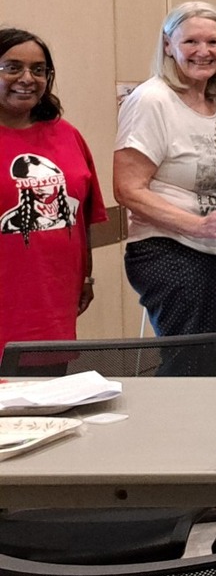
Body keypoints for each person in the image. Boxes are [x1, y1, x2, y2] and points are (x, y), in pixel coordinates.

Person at [113, 2, 216, 341]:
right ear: (168, 46)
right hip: (170, 249)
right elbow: (128, 189)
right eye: (191, 42)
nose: (204, 51)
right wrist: (199, 225)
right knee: (194, 366)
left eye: (214, 42)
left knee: (214, 363)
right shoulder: (151, 100)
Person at [0, 27, 106, 352]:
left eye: (39, 69)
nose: (27, 78)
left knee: (49, 395)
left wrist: (87, 276)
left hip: (54, 303)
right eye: (13, 67)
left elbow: (82, 216)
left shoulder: (67, 135)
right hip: (7, 302)